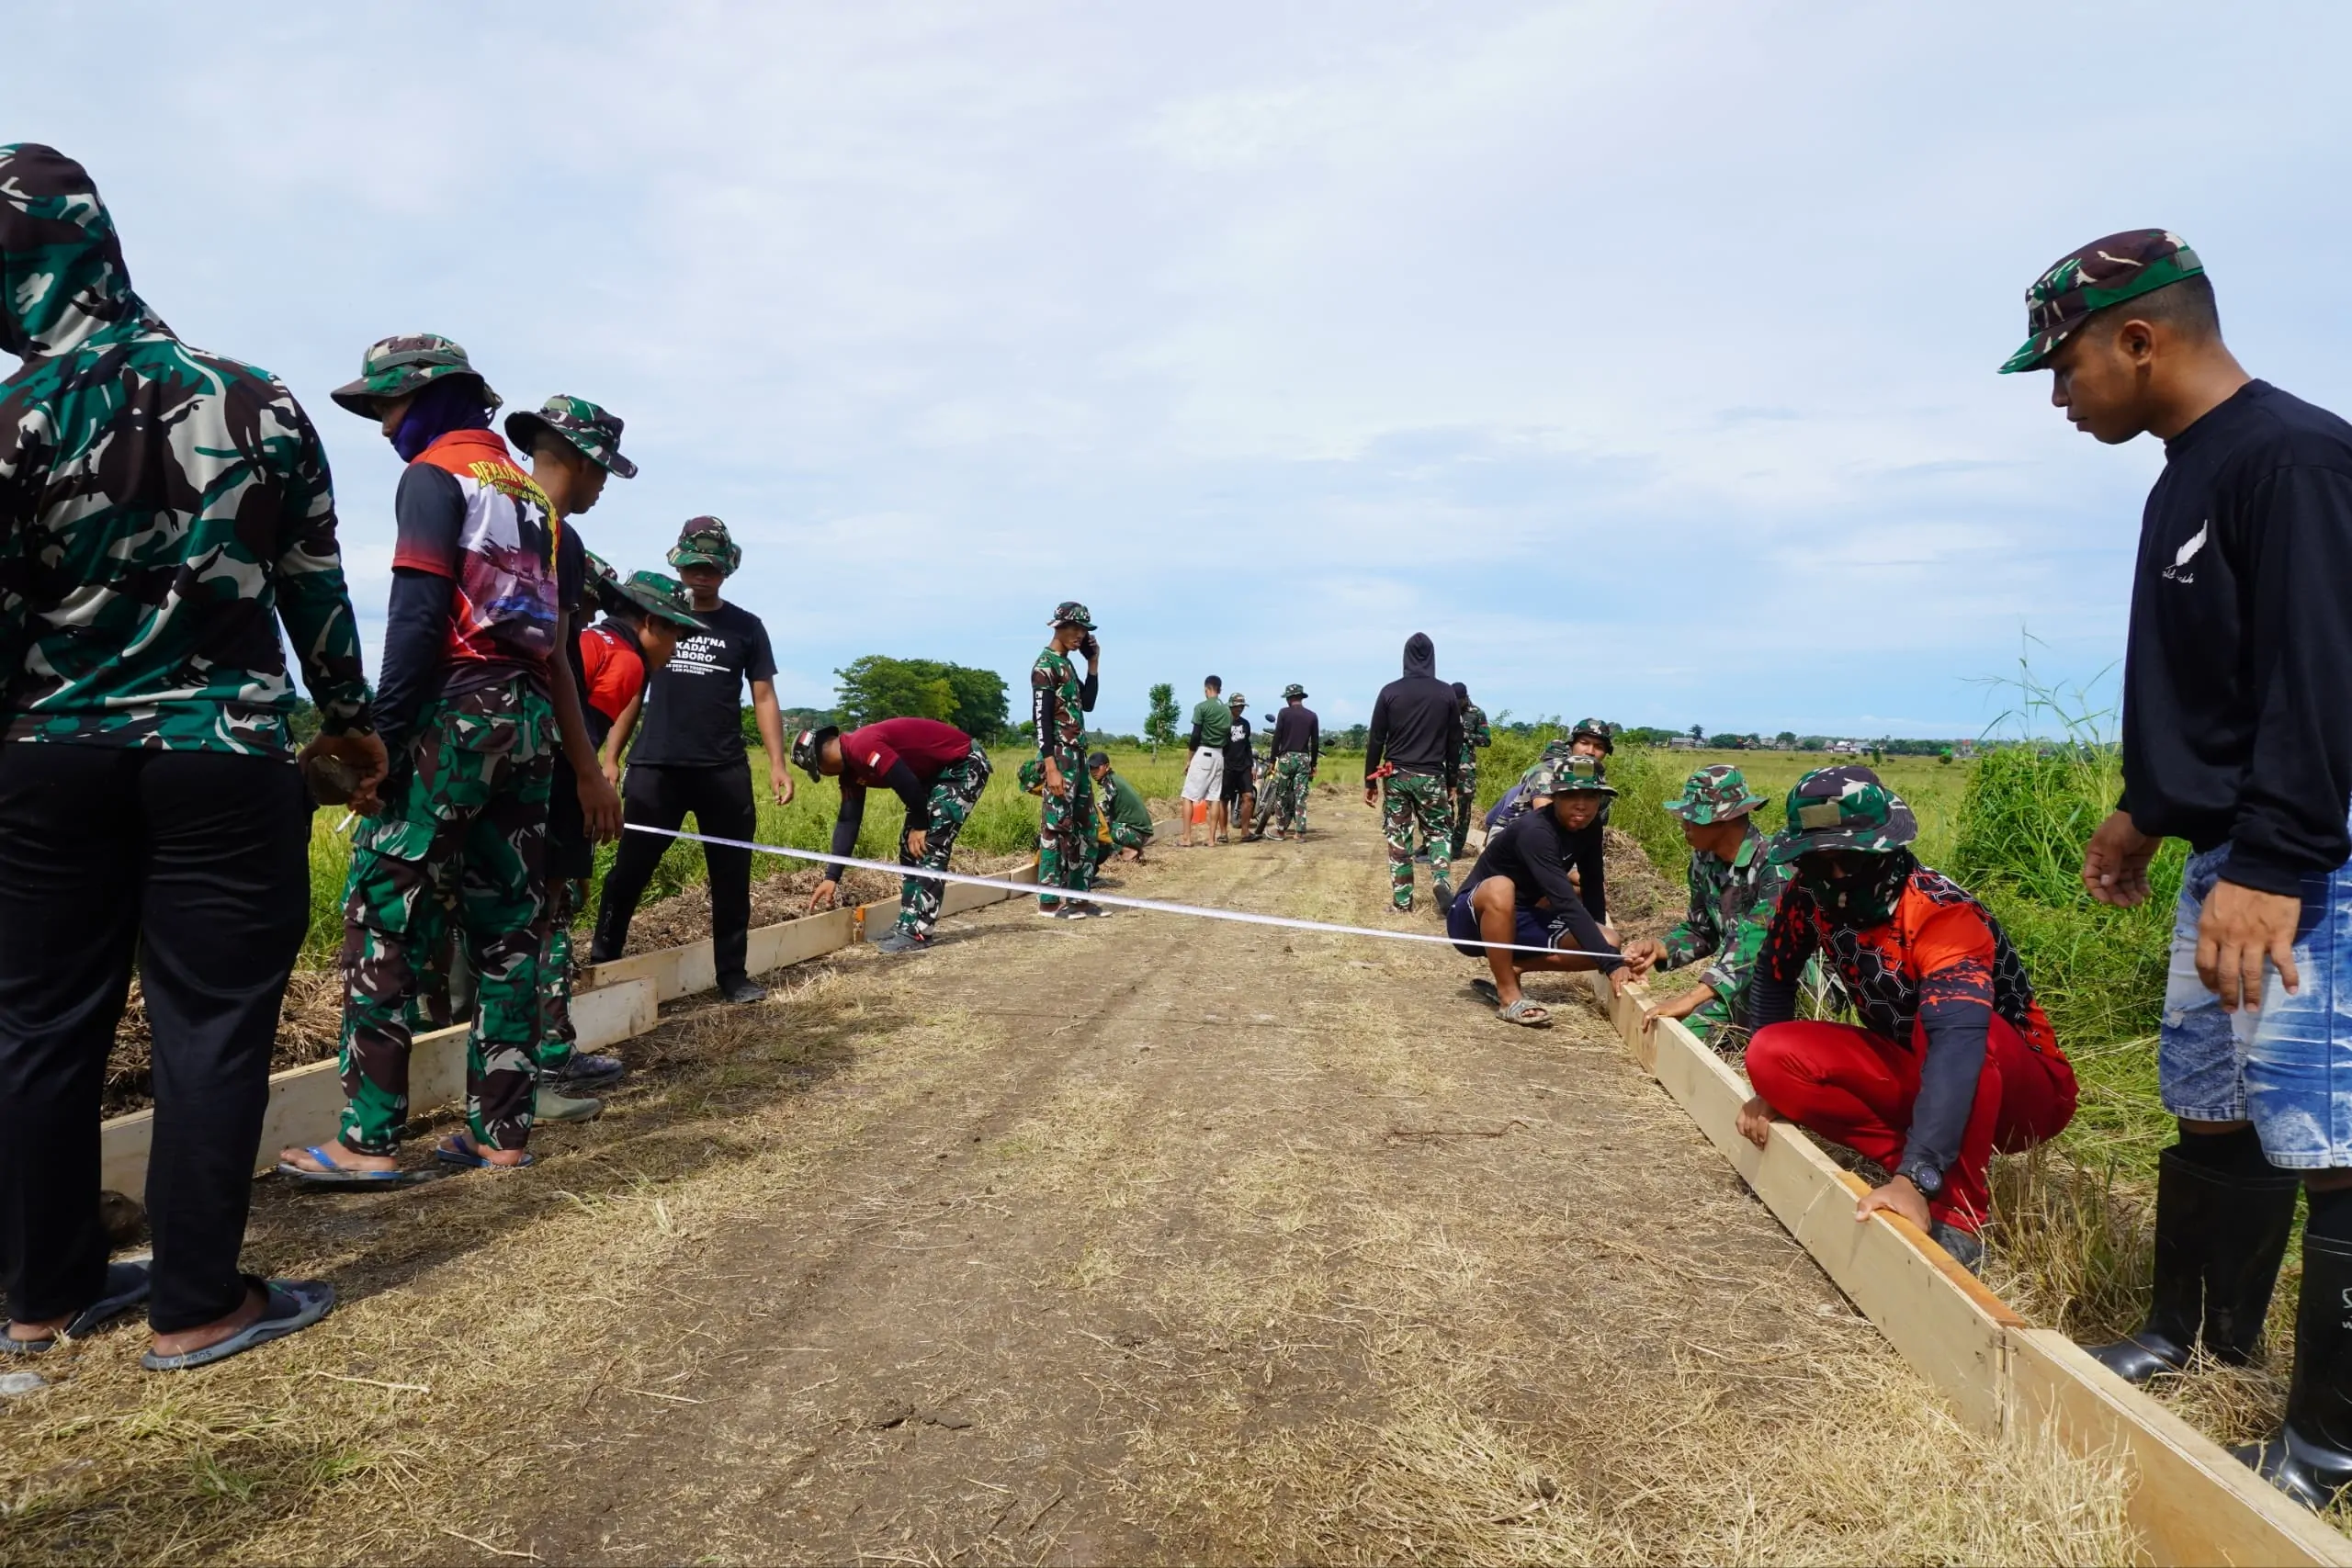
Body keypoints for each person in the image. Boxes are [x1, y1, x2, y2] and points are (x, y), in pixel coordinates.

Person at [0, 144, 374, 1368]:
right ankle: (197, 1300)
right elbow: (315, 584)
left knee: (41, 1023)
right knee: (208, 1022)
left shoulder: (12, 420)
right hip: (223, 752)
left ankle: (40, 1295)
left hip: (48, 757)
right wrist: (351, 720)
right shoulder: (256, 399)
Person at [2013, 232, 2352, 1505]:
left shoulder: (2296, 458)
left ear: (2140, 339)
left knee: (2333, 1129)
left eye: (2065, 364)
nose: (2060, 395)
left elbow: (2323, 675)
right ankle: (2196, 1336)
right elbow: (2214, 678)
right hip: (2229, 847)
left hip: (2307, 851)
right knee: (2210, 1095)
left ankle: (2328, 1439)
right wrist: (2146, 810)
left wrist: (2275, 857)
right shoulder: (2184, 476)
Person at [283, 333, 598, 1180]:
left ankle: (369, 1140)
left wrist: (379, 735)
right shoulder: (530, 495)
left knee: (384, 918)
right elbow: (557, 641)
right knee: (508, 932)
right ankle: (502, 1136)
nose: (384, 425)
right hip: (527, 724)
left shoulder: (434, 475)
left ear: (430, 398)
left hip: (455, 715)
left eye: (388, 406)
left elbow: (420, 613)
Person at [1735, 767, 2078, 1274]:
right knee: (1770, 1056)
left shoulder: (1940, 913)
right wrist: (1768, 1093)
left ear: (1883, 852)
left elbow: (1960, 1042)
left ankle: (1954, 1210)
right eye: (1814, 862)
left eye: (1844, 862)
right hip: (1918, 1069)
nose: (1830, 878)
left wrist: (1921, 1178)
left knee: (1941, 1022)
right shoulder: (1811, 896)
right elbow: (1775, 970)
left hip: (2015, 1091)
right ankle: (1909, 1159)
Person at [590, 518, 793, 1004]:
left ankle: (732, 974)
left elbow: (763, 696)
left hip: (722, 769)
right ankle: (602, 960)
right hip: (656, 767)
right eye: (695, 566)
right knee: (631, 867)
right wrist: (611, 756)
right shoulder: (653, 618)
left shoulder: (746, 627)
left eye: (712, 568)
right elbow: (630, 688)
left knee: (731, 873)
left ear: (725, 571)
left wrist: (778, 763)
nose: (703, 575)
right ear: (679, 565)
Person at [508, 397, 635, 1122]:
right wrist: (590, 769)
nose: (602, 488)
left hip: (471, 734)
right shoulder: (556, 533)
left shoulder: (485, 503)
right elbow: (556, 659)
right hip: (536, 747)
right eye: (603, 472)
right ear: (581, 459)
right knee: (528, 918)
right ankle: (520, 1080)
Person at [1619, 765, 1792, 1052]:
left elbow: (1756, 947)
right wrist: (1659, 948)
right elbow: (1702, 930)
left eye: (1693, 817)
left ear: (1726, 820)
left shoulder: (1775, 866)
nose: (1683, 824)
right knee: (1683, 1039)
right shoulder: (1703, 861)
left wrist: (1691, 998)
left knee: (1690, 1038)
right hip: (1736, 984)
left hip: (1784, 981)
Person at [1444, 757, 1624, 1027]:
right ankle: (1508, 996)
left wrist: (1606, 952)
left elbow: (1592, 883)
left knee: (1609, 940)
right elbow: (1563, 900)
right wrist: (1611, 964)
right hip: (1472, 922)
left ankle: (1513, 967)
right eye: (1572, 795)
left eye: (1591, 797)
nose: (1582, 805)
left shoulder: (1591, 827)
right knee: (1501, 886)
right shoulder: (1536, 831)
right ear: (1555, 797)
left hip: (1523, 917)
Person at [791, 716, 994, 954]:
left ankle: (919, 931)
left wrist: (921, 824)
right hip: (934, 776)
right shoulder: (850, 772)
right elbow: (848, 820)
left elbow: (904, 780)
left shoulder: (861, 746)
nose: (824, 775)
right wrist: (831, 876)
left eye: (819, 772)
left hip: (963, 764)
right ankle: (906, 923)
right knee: (908, 844)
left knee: (929, 844)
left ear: (821, 764)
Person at [1364, 633, 1462, 912]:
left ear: (1405, 657)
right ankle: (1441, 880)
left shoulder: (1389, 692)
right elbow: (1455, 741)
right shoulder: (1446, 693)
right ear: (1432, 658)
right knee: (1437, 833)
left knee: (1399, 836)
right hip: (1432, 776)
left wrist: (1368, 779)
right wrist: (1452, 780)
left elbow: (1376, 739)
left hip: (1397, 777)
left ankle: (1402, 902)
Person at [1033, 602, 1103, 918]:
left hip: (1078, 756)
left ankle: (1078, 897)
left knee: (1085, 827)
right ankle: (1049, 901)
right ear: (1057, 627)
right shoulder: (1044, 666)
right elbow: (1041, 721)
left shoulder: (1069, 665)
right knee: (1055, 826)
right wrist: (1051, 767)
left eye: (1084, 630)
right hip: (1059, 756)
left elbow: (1087, 704)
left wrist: (1093, 664)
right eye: (1074, 628)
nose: (1080, 635)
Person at [1486, 717, 1615, 837]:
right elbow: (1545, 820)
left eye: (1599, 747)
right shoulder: (1548, 771)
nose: (1590, 751)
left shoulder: (1597, 780)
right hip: (1515, 835)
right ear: (1572, 745)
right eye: (1584, 743)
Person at [1249, 683, 1319, 840]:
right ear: (1301, 697)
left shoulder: (1284, 713)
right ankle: (1299, 833)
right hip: (1303, 759)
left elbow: (1277, 738)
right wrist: (1313, 764)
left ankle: (1280, 831)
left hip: (1286, 759)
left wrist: (1273, 759)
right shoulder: (1312, 716)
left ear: (1288, 698)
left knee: (1281, 794)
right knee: (1300, 796)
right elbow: (1315, 743)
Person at [1179, 675, 1228, 848]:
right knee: (1214, 797)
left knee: (1187, 795)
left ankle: (1186, 837)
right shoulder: (1227, 711)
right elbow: (1228, 737)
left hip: (1204, 752)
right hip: (1219, 755)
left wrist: (1190, 759)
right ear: (1220, 689)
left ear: (1207, 689)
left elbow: (1195, 735)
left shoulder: (1202, 707)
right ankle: (1211, 839)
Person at [1089, 751, 1154, 867]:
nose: (1093, 771)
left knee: (1096, 829)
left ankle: (1127, 851)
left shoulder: (1109, 784)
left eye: (1096, 767)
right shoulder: (1115, 779)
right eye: (1091, 768)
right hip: (1139, 832)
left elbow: (1100, 815)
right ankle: (1131, 849)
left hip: (1135, 834)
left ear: (1107, 766)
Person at [1450, 682, 1491, 862]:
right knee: (1444, 807)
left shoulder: (1477, 713)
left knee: (1464, 808)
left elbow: (1486, 740)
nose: (1456, 703)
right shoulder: (1445, 711)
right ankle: (1442, 845)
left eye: (1459, 700)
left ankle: (1457, 847)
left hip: (1466, 769)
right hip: (1446, 767)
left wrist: (1465, 735)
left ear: (1465, 698)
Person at [1220, 692, 1255, 841]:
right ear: (1231, 706)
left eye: (1242, 706)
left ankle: (1245, 831)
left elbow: (1247, 745)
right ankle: (1223, 833)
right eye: (1237, 706)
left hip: (1243, 766)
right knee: (1224, 799)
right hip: (1227, 766)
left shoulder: (1245, 724)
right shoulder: (1223, 723)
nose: (1240, 709)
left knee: (1248, 797)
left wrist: (1251, 765)